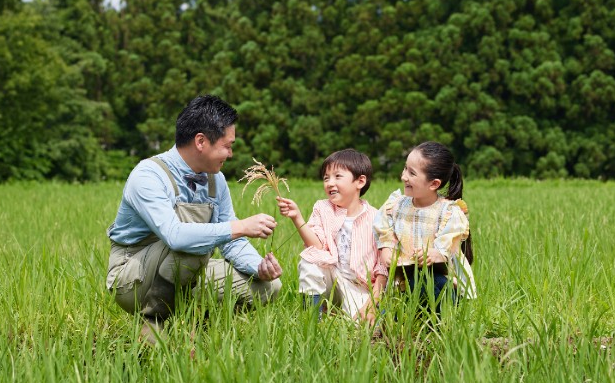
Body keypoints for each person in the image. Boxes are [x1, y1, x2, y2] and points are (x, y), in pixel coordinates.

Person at [106, 95, 283, 343]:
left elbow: (231, 243)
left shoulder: (215, 180)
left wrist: (260, 268)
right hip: (132, 278)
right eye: (227, 145)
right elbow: (175, 236)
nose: (230, 154)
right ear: (201, 141)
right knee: (195, 246)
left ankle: (195, 330)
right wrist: (240, 226)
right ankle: (153, 324)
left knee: (268, 288)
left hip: (182, 270)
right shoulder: (148, 175)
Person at [368, 141, 476, 325]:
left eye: (412, 173)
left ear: (434, 184)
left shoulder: (448, 212)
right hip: (403, 284)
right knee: (399, 300)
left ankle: (429, 323)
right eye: (405, 169)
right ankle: (400, 319)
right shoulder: (395, 205)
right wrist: (387, 249)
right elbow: (385, 230)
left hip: (440, 282)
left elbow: (448, 245)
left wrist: (436, 253)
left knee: (427, 284)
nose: (404, 177)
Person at [276, 149, 384, 321]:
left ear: (360, 181)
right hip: (331, 277)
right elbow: (317, 246)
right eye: (326, 178)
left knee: (361, 325)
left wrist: (374, 299)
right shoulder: (322, 208)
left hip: (358, 285)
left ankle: (335, 309)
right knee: (310, 261)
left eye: (337, 176)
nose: (329, 183)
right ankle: (311, 321)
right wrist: (297, 217)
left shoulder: (376, 218)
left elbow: (383, 265)